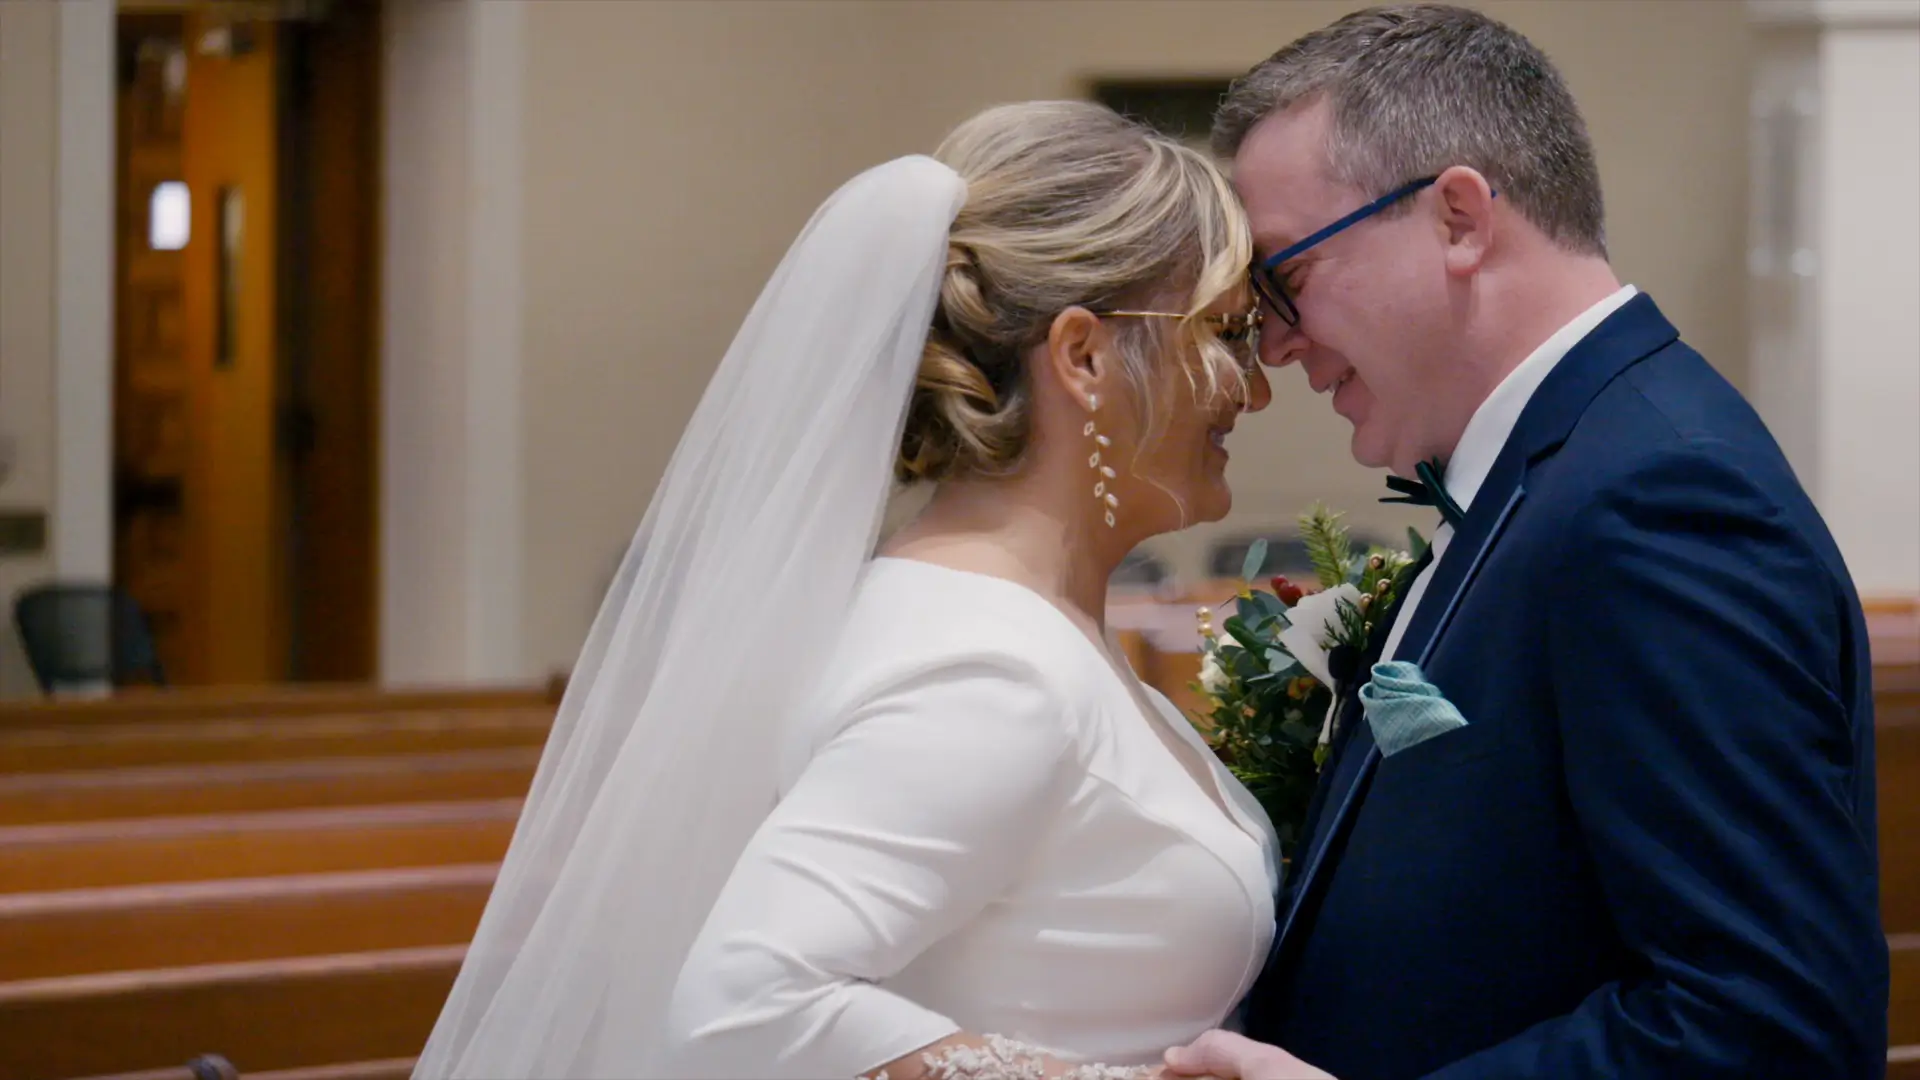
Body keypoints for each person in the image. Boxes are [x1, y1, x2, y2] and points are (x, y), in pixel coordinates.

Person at [413, 101, 1282, 1079]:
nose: (1250, 388)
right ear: (1082, 358)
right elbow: (747, 1007)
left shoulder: (987, 620)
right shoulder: (988, 671)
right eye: (1226, 333)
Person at [1164, 5, 1887, 1079]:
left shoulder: (1658, 499)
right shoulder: (1559, 465)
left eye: (1288, 280)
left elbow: (1770, 1024)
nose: (1273, 344)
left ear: (1457, 216)